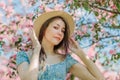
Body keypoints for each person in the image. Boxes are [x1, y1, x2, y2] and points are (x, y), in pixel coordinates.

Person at [16, 11, 105, 80]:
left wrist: (81, 54)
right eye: (56, 27)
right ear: (44, 30)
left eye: (63, 30)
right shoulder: (24, 56)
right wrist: (37, 49)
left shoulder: (66, 60)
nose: (60, 33)